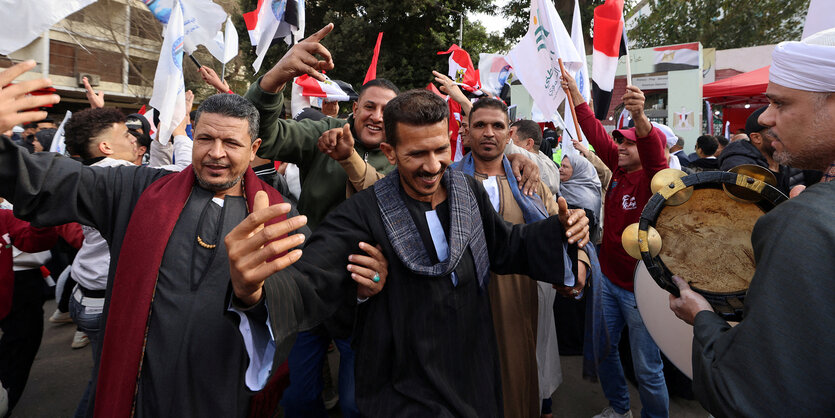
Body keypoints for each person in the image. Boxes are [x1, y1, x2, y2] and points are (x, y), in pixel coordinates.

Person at [0, 61, 382, 417]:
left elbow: (310, 300)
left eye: (231, 143)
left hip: (225, 395)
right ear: (192, 138)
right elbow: (39, 182)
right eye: (205, 139)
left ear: (254, 150)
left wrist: (253, 295)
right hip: (140, 392)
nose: (216, 154)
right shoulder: (134, 191)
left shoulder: (280, 222)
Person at [230, 89, 589, 416]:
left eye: (440, 150)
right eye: (417, 153)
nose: (432, 166)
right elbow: (310, 280)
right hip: (402, 388)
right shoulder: (362, 215)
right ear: (389, 152)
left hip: (474, 374)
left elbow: (508, 245)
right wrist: (253, 290)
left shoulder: (466, 192)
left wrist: (562, 231)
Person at [670, 29, 835, 417]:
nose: (764, 117)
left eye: (779, 102)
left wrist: (704, 320)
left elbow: (744, 398)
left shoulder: (806, 223)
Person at [562, 71, 670, 418]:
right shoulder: (620, 170)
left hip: (642, 289)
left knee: (647, 368)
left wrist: (640, 117)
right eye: (618, 142)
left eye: (628, 142)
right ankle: (620, 410)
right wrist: (576, 92)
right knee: (605, 352)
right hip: (608, 281)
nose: (620, 147)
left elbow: (654, 153)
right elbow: (593, 129)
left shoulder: (655, 179)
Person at [0, 206, 60, 414]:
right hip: (19, 283)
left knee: (22, 339)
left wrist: (41, 214)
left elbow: (34, 240)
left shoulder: (4, 216)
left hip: (16, 287)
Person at [719, 106, 822, 195]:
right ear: (756, 138)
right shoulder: (740, 164)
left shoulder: (790, 157)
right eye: (777, 132)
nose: (786, 136)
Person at [510, 119, 561, 196]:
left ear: (528, 143)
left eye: (510, 138)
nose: (507, 140)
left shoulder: (532, 159)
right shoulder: (545, 160)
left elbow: (505, 146)